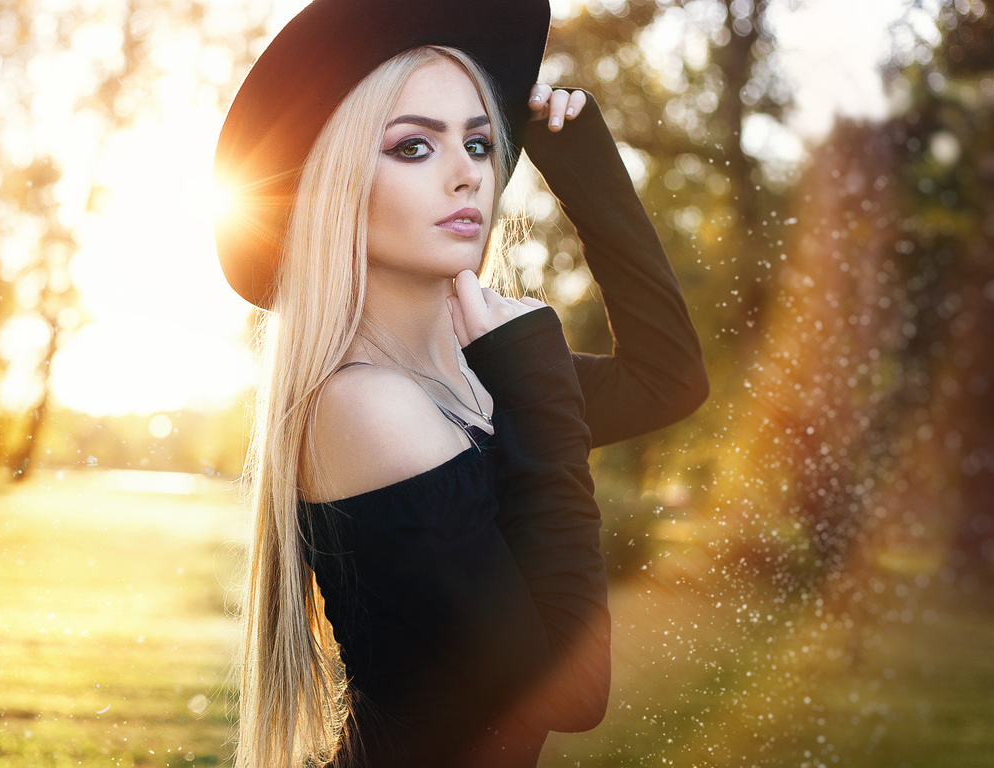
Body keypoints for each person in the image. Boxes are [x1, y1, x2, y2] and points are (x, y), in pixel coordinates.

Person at [212, 1, 709, 766]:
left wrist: (585, 170)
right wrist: (534, 375)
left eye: (480, 142)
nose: (466, 173)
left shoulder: (468, 380)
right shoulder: (366, 406)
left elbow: (666, 381)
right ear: (336, 183)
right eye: (413, 146)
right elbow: (573, 691)